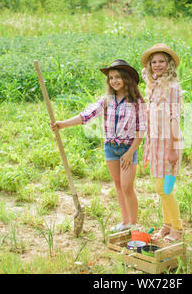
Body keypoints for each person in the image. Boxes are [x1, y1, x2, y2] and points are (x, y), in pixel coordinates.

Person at [50, 59, 146, 233]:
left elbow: (141, 130)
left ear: (126, 78)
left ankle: (133, 225)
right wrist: (63, 124)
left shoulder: (136, 102)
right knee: (117, 185)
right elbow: (87, 115)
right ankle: (125, 222)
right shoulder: (107, 100)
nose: (114, 81)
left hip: (127, 149)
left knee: (127, 187)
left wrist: (130, 152)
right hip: (110, 148)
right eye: (110, 78)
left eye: (117, 77)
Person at [141, 44, 184, 243]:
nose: (157, 65)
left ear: (169, 64)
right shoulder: (155, 85)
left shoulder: (173, 87)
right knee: (162, 188)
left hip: (169, 143)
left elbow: (174, 118)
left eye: (161, 61)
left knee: (164, 189)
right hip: (156, 142)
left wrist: (173, 149)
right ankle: (167, 225)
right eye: (154, 62)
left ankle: (178, 228)